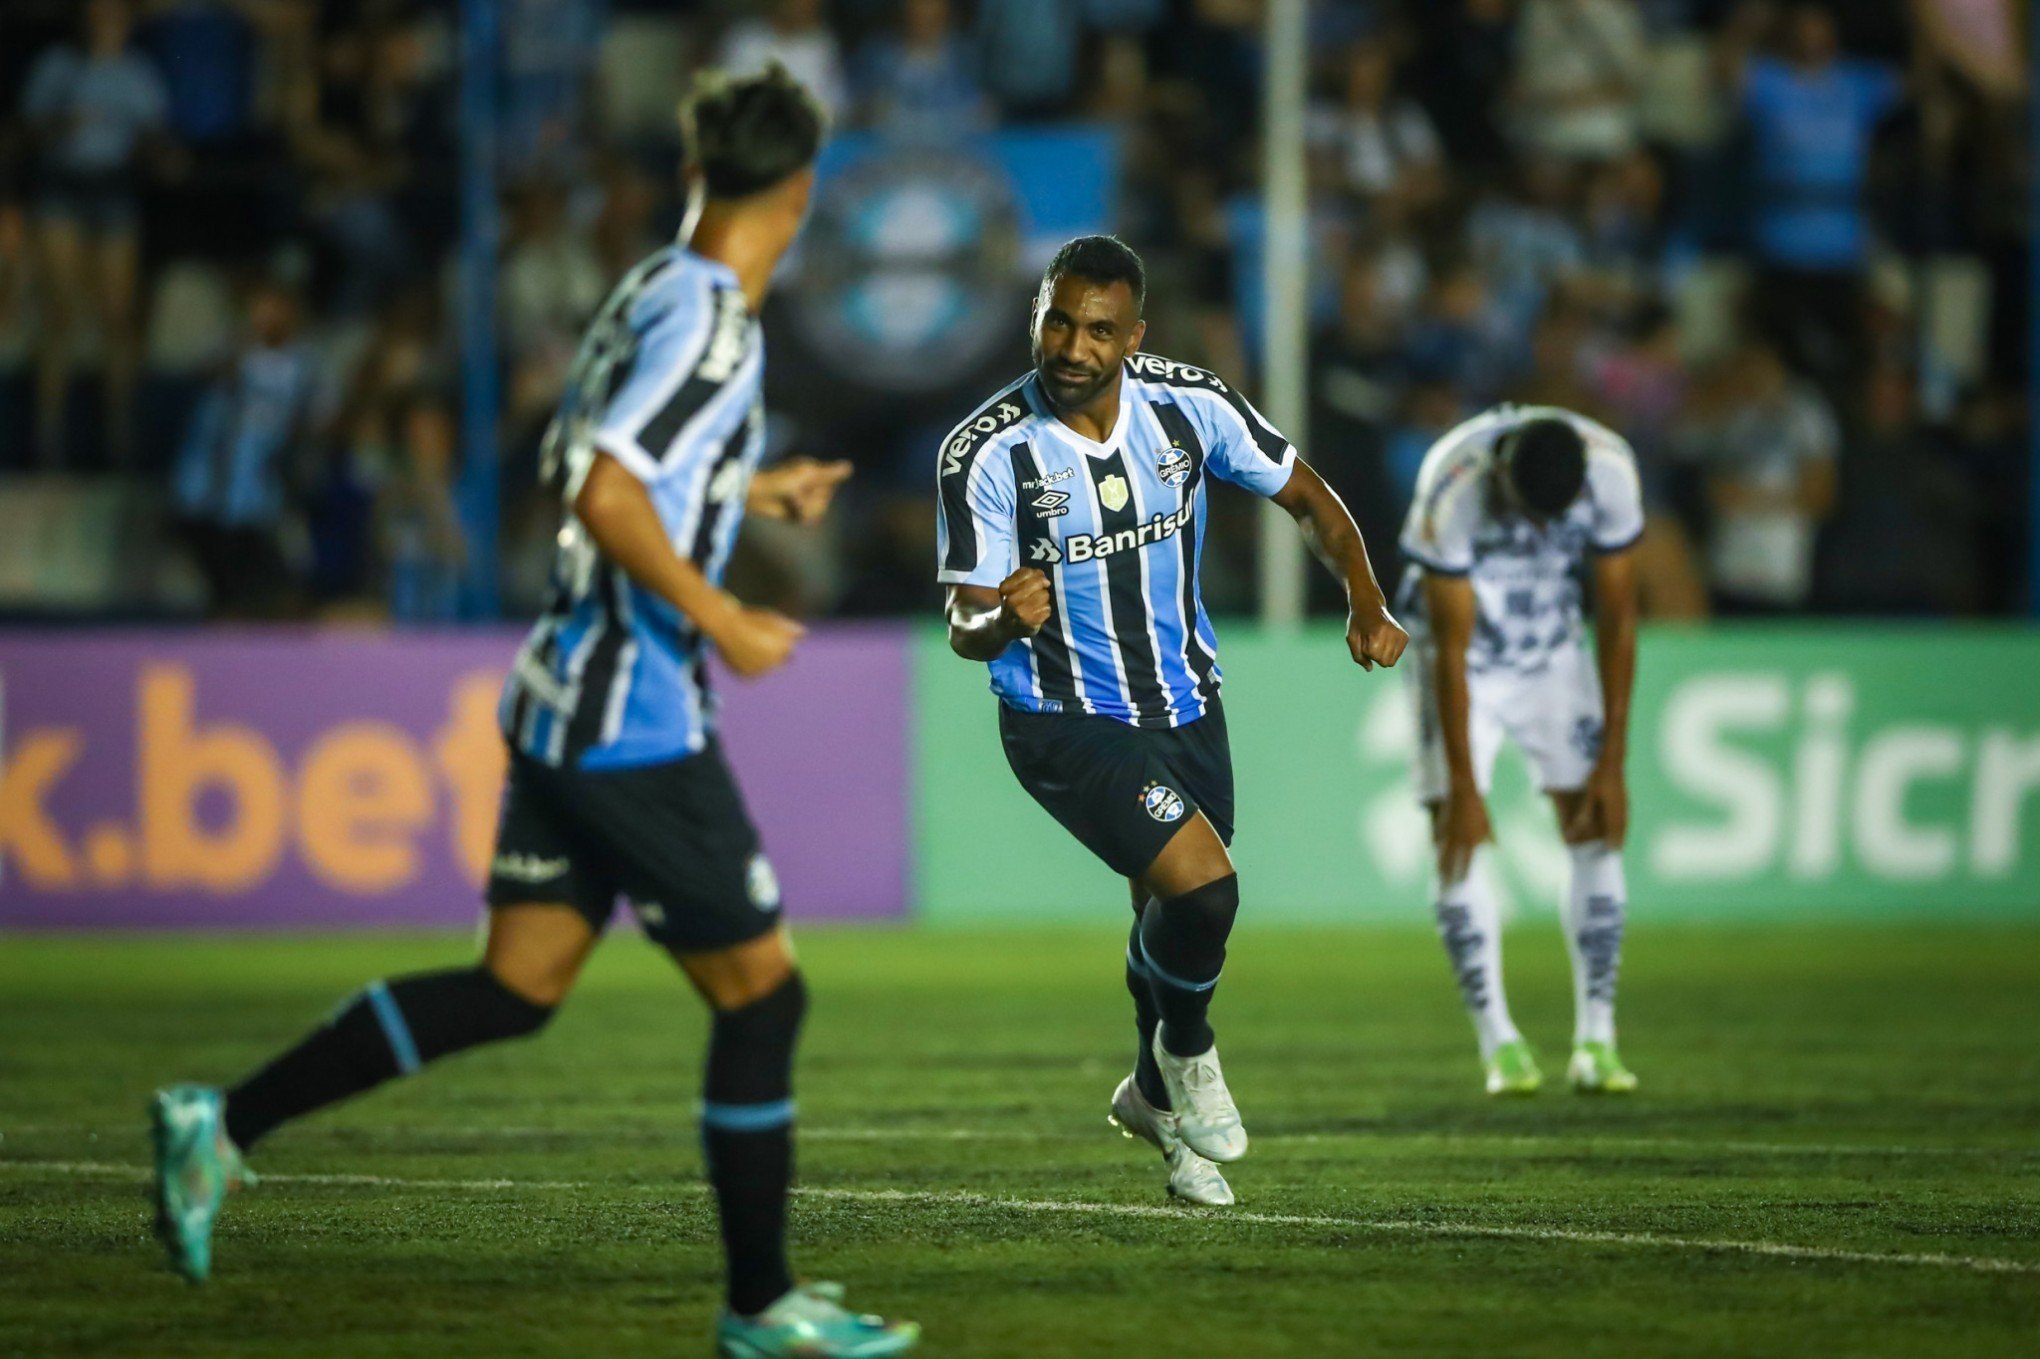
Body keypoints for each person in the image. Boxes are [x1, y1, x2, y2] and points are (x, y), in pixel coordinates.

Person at [149, 65, 919, 1359]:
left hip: (559, 689)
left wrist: (748, 488)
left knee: (518, 982)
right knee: (764, 998)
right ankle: (760, 1301)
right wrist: (724, 613)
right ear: (797, 195)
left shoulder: (642, 291)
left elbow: (599, 463)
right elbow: (611, 494)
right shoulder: (719, 325)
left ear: (696, 178)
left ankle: (218, 1124)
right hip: (634, 715)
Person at [938, 235, 1407, 1205]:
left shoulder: (1190, 404)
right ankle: (1188, 1056)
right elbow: (964, 621)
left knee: (1170, 910)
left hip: (1187, 704)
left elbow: (1310, 499)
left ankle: (1153, 1103)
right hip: (1061, 719)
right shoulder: (986, 451)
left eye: (1098, 329)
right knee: (1206, 895)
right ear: (1038, 317)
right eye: (1057, 322)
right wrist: (998, 619)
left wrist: (1365, 596)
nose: (1073, 346)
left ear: (1133, 336)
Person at [1395, 404, 1643, 1096]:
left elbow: (1620, 616)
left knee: (1594, 824)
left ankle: (1598, 1038)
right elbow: (1449, 645)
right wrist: (1465, 788)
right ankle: (1498, 1042)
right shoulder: (1453, 480)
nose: (1534, 531)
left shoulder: (1612, 470)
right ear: (1499, 473)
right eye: (1522, 511)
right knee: (1456, 834)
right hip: (1460, 659)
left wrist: (1613, 761)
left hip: (1552, 654)